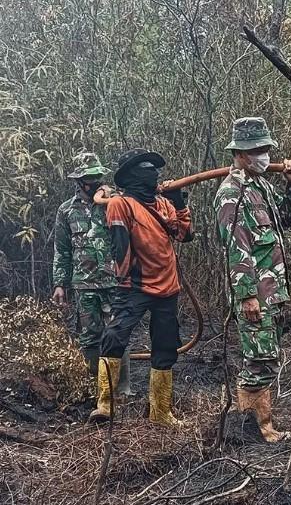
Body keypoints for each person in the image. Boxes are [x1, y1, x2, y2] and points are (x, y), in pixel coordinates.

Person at [215, 117, 291, 442]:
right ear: (239, 154)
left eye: (266, 149)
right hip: (255, 294)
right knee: (259, 360)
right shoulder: (232, 193)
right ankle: (251, 430)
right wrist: (247, 296)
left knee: (266, 357)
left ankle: (260, 425)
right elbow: (236, 248)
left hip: (273, 291)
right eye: (256, 150)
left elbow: (284, 219)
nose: (263, 155)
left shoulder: (261, 186)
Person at [89, 149, 192, 427]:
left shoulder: (163, 204)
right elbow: (119, 246)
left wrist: (179, 203)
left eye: (154, 169)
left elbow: (185, 235)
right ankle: (106, 404)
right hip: (135, 286)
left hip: (168, 287)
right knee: (114, 336)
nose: (155, 173)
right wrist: (123, 278)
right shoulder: (120, 204)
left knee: (166, 346)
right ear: (134, 175)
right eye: (148, 168)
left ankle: (160, 412)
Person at [51, 152, 133, 397]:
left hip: (114, 281)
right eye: (88, 178)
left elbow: (131, 238)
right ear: (79, 180)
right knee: (90, 337)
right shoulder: (66, 210)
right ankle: (95, 389)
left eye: (97, 177)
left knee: (117, 334)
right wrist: (59, 284)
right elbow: (62, 250)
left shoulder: (115, 203)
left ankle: (122, 390)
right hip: (84, 285)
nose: (94, 182)